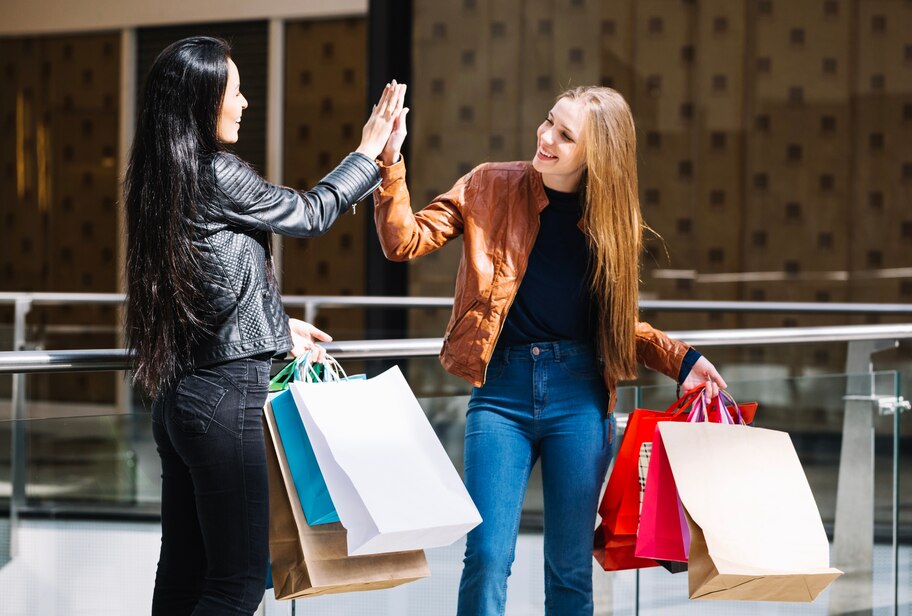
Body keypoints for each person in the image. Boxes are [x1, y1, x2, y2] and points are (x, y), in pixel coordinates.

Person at [372, 85, 728, 615]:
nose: (545, 137)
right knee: (488, 557)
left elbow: (617, 323)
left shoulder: (611, 223)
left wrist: (682, 359)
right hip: (500, 395)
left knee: (568, 569)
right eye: (548, 122)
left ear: (596, 154)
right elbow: (403, 241)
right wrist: (391, 161)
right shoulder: (492, 185)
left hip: (578, 397)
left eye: (565, 135)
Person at [124, 35, 404, 615]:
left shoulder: (159, 176)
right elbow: (310, 211)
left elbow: (204, 282)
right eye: (235, 91)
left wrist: (275, 325)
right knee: (237, 581)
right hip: (228, 399)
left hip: (181, 401)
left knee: (184, 574)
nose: (245, 103)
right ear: (203, 102)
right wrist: (369, 154)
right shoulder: (217, 171)